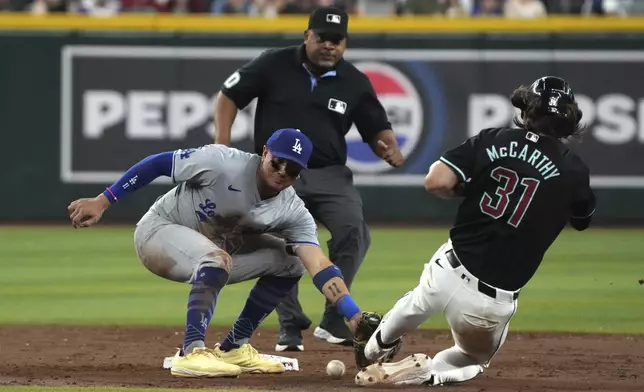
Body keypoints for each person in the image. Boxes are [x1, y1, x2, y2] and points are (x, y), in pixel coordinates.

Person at [67, 128, 378, 378]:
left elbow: (318, 263)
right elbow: (159, 163)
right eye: (278, 161)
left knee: (292, 262)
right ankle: (191, 352)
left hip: (213, 250)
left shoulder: (292, 209)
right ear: (265, 153)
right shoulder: (222, 161)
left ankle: (234, 347)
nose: (283, 171)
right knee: (216, 258)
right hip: (158, 234)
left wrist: (352, 314)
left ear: (301, 173)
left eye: (293, 168)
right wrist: (104, 200)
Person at [353, 76, 596, 386]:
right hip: (490, 304)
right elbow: (582, 219)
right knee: (473, 360)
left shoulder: (493, 140)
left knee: (418, 299)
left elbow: (436, 181)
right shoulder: (574, 170)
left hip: (449, 269)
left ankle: (374, 347)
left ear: (526, 110)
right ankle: (429, 375)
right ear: (570, 119)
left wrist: (469, 189)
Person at [214, 6, 404, 352]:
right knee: (279, 243)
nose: (330, 45)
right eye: (323, 38)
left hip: (330, 173)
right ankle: (290, 324)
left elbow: (378, 128)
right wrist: (222, 144)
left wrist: (387, 147)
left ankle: (334, 319)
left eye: (337, 40)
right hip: (275, 173)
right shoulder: (273, 63)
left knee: (353, 231)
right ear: (307, 36)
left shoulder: (354, 82)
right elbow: (229, 96)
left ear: (345, 43)